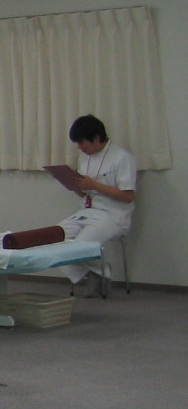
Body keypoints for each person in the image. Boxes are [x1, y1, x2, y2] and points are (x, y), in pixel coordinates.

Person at [53, 114, 136, 287]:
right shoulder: (85, 157)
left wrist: (94, 185)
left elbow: (128, 196)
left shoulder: (122, 157)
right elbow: (85, 194)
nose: (80, 147)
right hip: (87, 212)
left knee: (79, 247)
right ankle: (95, 274)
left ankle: (98, 275)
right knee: (53, 239)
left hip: (113, 215)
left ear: (97, 138)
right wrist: (73, 184)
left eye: (82, 142)